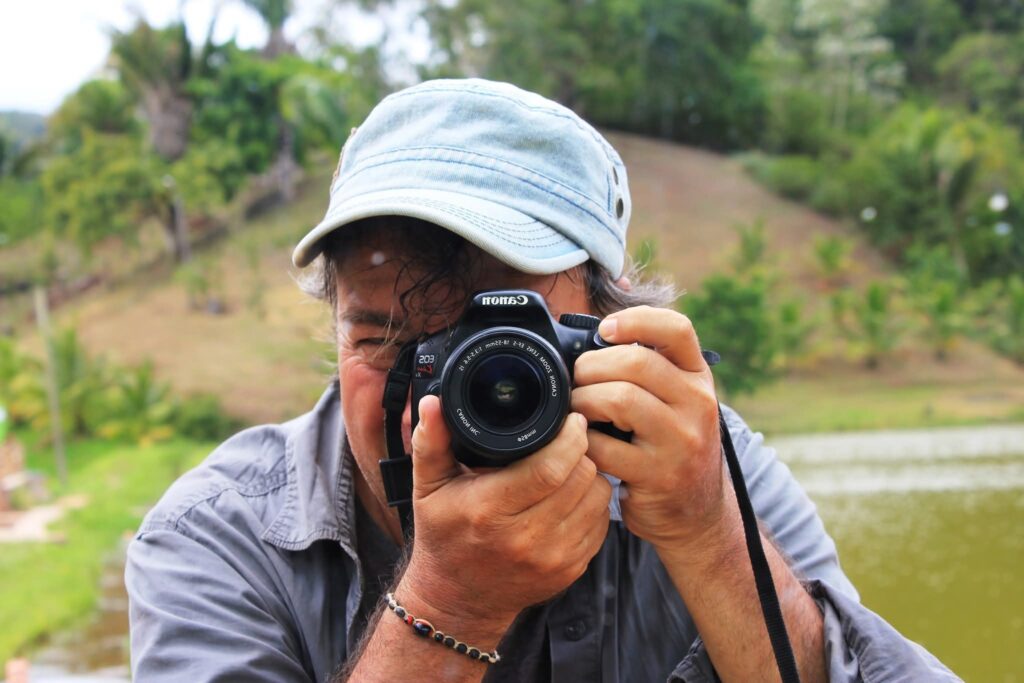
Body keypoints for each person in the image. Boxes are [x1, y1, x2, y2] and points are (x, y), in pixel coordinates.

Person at [126, 78, 960, 682]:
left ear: (609, 329)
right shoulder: (223, 535)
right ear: (334, 325)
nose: (433, 401)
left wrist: (711, 539)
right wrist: (448, 609)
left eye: (500, 342)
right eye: (386, 340)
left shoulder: (695, 468)